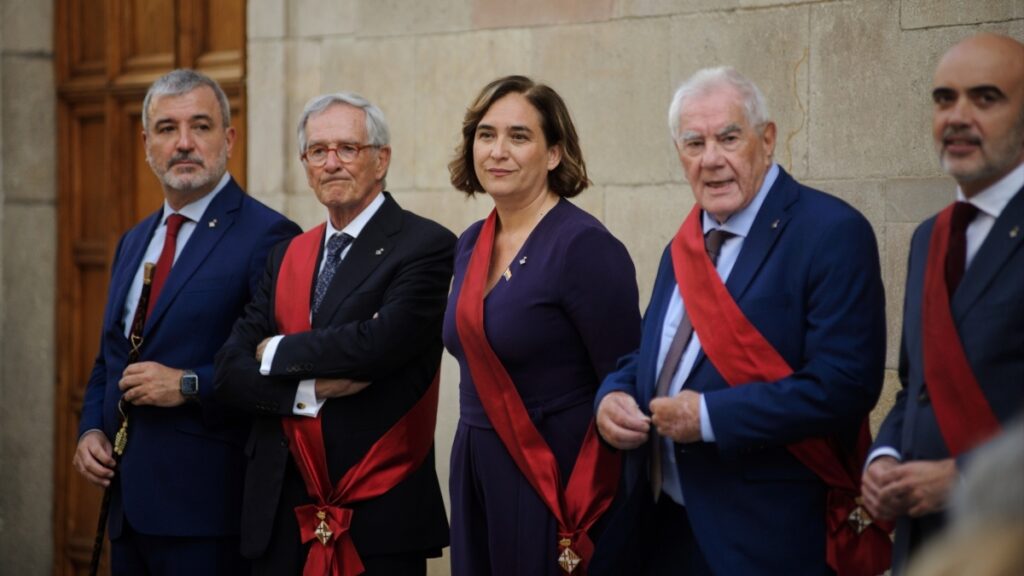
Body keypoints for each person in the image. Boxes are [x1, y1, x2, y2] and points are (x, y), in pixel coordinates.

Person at [595, 66, 889, 575]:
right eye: (693, 143)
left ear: (767, 138)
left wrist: (709, 419)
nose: (711, 160)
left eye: (728, 138)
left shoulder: (831, 233)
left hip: (764, 537)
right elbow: (652, 355)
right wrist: (612, 396)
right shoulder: (681, 246)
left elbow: (845, 385)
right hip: (662, 526)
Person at [72, 69, 301, 575]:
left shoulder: (271, 236)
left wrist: (190, 384)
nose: (184, 143)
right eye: (167, 129)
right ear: (146, 142)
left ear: (229, 137)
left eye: (200, 126)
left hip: (210, 514)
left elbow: (281, 369)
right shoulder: (134, 240)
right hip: (126, 509)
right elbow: (110, 356)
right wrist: (90, 427)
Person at [214, 92, 453, 576]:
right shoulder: (288, 254)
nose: (331, 163)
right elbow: (229, 371)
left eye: (348, 148)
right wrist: (305, 392)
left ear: (381, 159)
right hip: (280, 510)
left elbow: (375, 347)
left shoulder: (425, 245)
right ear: (305, 164)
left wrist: (277, 350)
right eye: (317, 151)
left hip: (376, 515)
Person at [444, 75, 641, 576]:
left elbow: (625, 374)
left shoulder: (584, 246)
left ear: (553, 154)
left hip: (552, 468)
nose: (497, 151)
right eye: (485, 135)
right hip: (477, 461)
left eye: (519, 136)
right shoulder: (470, 242)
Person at [862, 33, 1024, 574]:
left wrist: (964, 478)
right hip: (927, 547)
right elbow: (918, 388)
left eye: (985, 98)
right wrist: (885, 458)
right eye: (943, 98)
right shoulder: (928, 238)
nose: (957, 116)